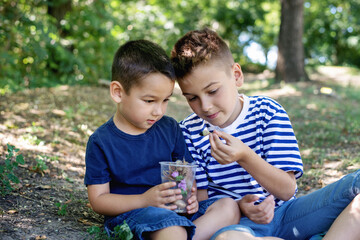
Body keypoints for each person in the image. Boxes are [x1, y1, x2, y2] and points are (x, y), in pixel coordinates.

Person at [170, 28, 360, 240]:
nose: (205, 106)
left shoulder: (267, 112)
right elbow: (201, 208)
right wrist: (240, 207)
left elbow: (287, 190)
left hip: (289, 214)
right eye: (192, 98)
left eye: (213, 91)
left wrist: (245, 156)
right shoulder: (186, 132)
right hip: (238, 227)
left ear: (236, 76)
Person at [84, 39, 240, 240]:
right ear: (118, 92)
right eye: (149, 101)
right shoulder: (101, 142)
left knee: (228, 207)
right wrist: (144, 200)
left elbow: (185, 174)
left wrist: (190, 196)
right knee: (171, 228)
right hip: (135, 214)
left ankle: (185, 235)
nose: (158, 111)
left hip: (175, 211)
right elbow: (99, 201)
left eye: (165, 100)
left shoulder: (170, 128)